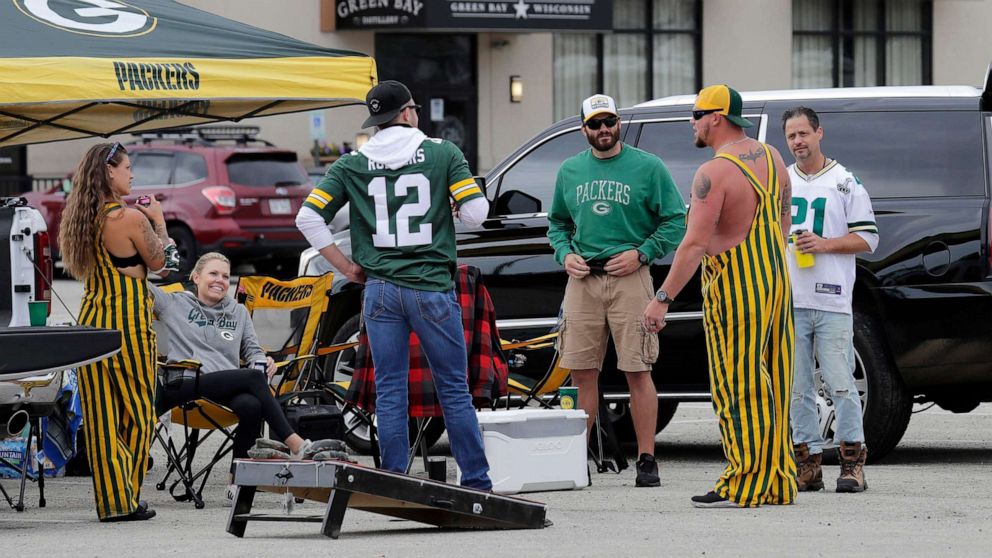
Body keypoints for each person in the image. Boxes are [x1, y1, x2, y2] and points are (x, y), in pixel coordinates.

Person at [295, 80, 492, 490]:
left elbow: (308, 218)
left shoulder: (351, 163)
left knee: (389, 390)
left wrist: (346, 268)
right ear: (407, 113)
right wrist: (449, 208)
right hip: (431, 286)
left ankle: (393, 479)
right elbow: (476, 215)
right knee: (453, 388)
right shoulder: (443, 153)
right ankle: (475, 480)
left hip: (380, 288)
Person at [643, 85, 797, 508]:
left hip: (736, 283)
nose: (691, 122)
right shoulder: (773, 157)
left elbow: (693, 244)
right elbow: (784, 215)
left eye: (696, 114)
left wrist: (662, 298)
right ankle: (777, 480)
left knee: (737, 384)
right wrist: (767, 256)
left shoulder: (714, 173)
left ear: (716, 117)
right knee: (776, 380)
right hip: (776, 279)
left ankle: (743, 480)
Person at [547, 94, 686, 487]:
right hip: (582, 279)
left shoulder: (648, 167)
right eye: (595, 124)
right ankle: (578, 459)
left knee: (637, 370)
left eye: (609, 121)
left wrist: (643, 254)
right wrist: (564, 254)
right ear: (583, 129)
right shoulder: (570, 171)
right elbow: (556, 224)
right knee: (581, 372)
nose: (603, 129)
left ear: (619, 123)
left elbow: (675, 221)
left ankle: (647, 459)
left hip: (630, 277)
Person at [59, 142, 172, 522]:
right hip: (128, 322)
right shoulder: (129, 218)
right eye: (128, 168)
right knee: (140, 411)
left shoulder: (82, 217)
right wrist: (158, 220)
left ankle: (114, 502)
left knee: (101, 416)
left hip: (91, 318)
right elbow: (164, 265)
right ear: (110, 172)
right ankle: (126, 493)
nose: (132, 174)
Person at [150, 252, 317, 502]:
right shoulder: (173, 303)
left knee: (251, 405)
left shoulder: (237, 312)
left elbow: (253, 350)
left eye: (226, 276)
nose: (220, 280)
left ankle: (236, 480)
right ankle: (294, 442)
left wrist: (263, 361)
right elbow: (138, 284)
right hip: (184, 385)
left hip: (224, 390)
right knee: (252, 379)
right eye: (213, 274)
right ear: (196, 277)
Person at [782, 107, 878, 493]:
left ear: (820, 133)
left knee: (841, 383)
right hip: (790, 299)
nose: (798, 142)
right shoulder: (781, 181)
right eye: (791, 136)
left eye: (804, 133)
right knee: (798, 387)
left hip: (833, 300)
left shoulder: (845, 182)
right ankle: (807, 463)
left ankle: (853, 462)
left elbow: (869, 238)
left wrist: (825, 245)